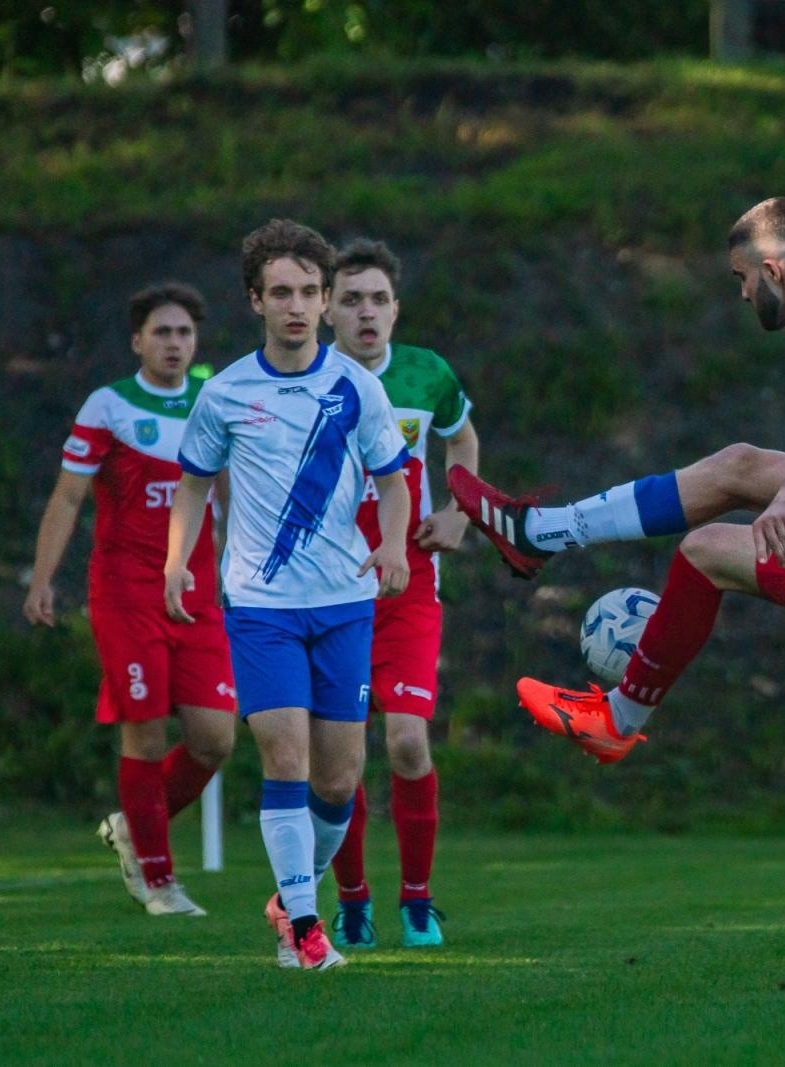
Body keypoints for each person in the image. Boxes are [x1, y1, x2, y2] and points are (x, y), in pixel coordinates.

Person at [450, 198, 785, 990]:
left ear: (774, 270)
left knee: (706, 554)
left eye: (742, 280)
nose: (741, 296)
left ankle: (620, 716)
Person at [164, 219, 413, 971]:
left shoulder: (357, 386)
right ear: (255, 301)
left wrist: (394, 542)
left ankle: (288, 893)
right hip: (260, 607)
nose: (298, 305)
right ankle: (305, 927)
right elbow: (194, 483)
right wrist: (179, 563)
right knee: (286, 760)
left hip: (344, 601)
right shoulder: (226, 393)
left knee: (340, 777)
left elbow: (395, 480)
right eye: (282, 292)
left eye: (310, 291)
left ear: (327, 298)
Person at [24, 282, 236, 918]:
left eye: (184, 334)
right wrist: (42, 579)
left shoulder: (215, 400)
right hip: (126, 592)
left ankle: (132, 825)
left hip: (197, 593)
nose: (174, 343)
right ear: (138, 341)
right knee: (143, 730)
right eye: (162, 332)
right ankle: (159, 879)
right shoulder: (108, 406)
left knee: (215, 740)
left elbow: (229, 498)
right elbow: (67, 497)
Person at [322, 238, 479, 950]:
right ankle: (353, 902)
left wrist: (460, 508)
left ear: (396, 309)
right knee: (342, 756)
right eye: (350, 299)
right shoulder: (308, 380)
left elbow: (462, 438)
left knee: (409, 742)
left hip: (410, 585)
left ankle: (417, 900)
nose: (366, 313)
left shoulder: (426, 373)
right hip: (329, 591)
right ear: (327, 309)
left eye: (378, 299)